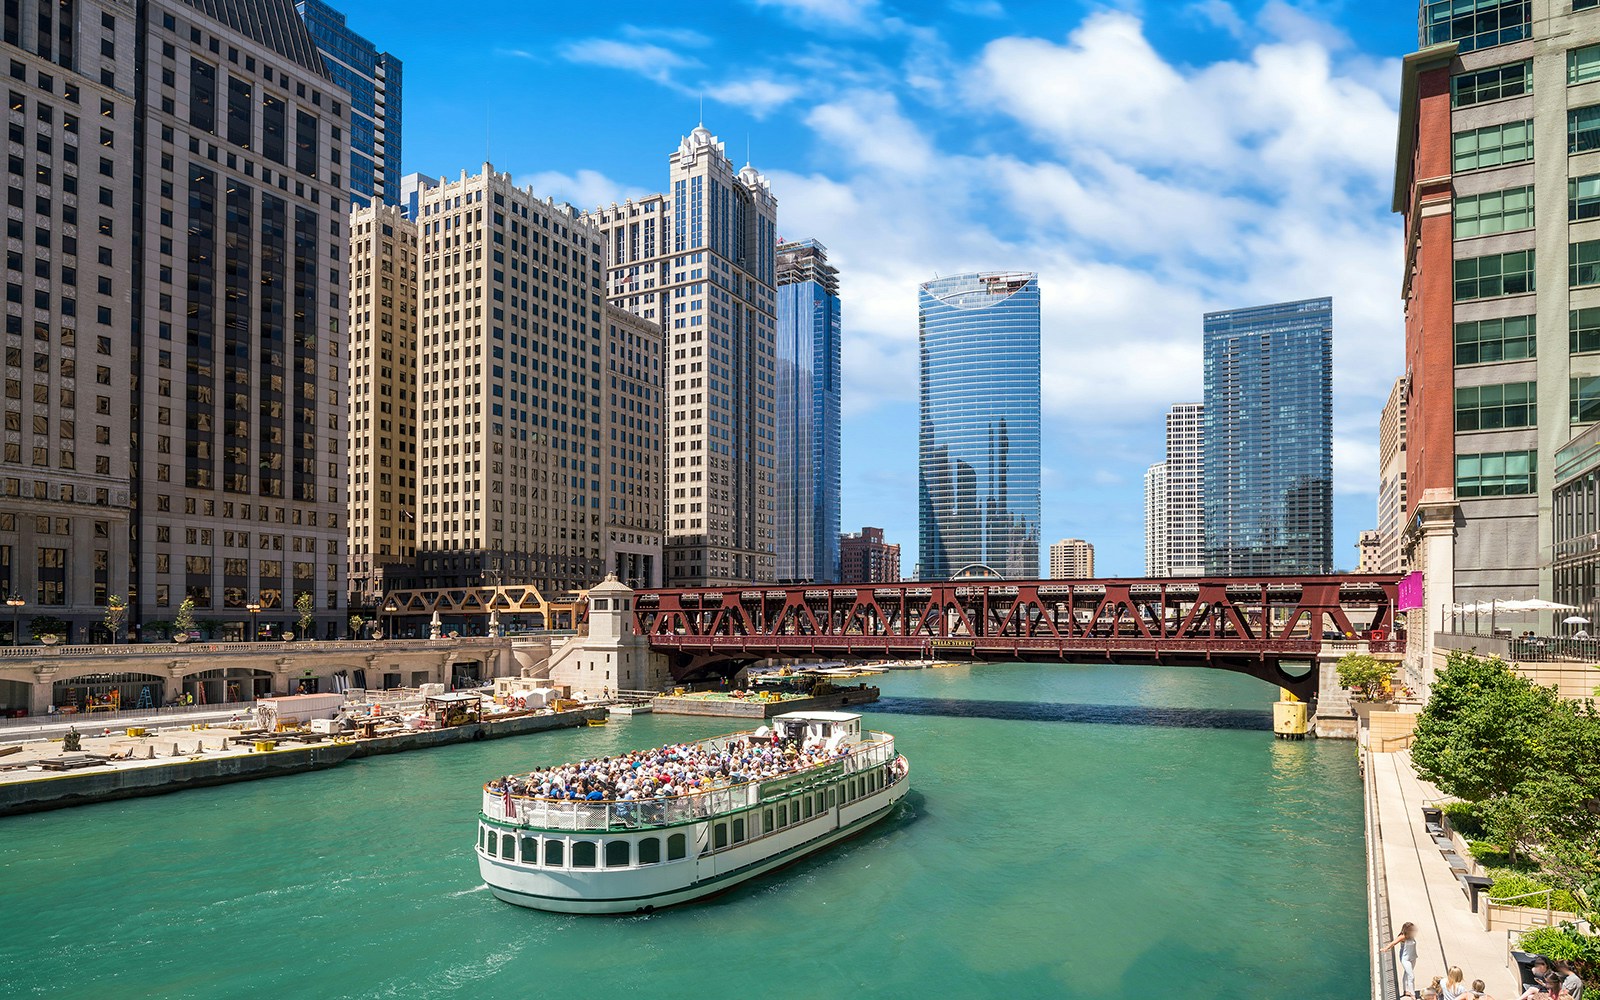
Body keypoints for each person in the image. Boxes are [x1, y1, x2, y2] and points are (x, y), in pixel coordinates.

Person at [1383, 922, 1420, 998]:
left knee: (1407, 973)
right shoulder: (1403, 936)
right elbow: (1393, 942)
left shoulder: (1411, 936)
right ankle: (1412, 994)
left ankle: (1406, 990)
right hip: (1405, 959)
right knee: (1411, 976)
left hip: (1413, 957)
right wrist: (1386, 948)